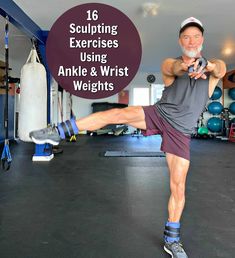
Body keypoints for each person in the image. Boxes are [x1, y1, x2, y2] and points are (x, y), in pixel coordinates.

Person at [30, 17, 226, 258]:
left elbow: (219, 68)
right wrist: (188, 67)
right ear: (180, 40)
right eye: (186, 36)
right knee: (115, 114)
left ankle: (171, 239)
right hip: (159, 113)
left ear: (202, 40)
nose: (191, 40)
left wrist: (205, 65)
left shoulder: (215, 68)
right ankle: (58, 132)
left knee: (178, 186)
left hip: (181, 131)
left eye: (196, 36)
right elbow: (173, 68)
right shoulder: (170, 64)